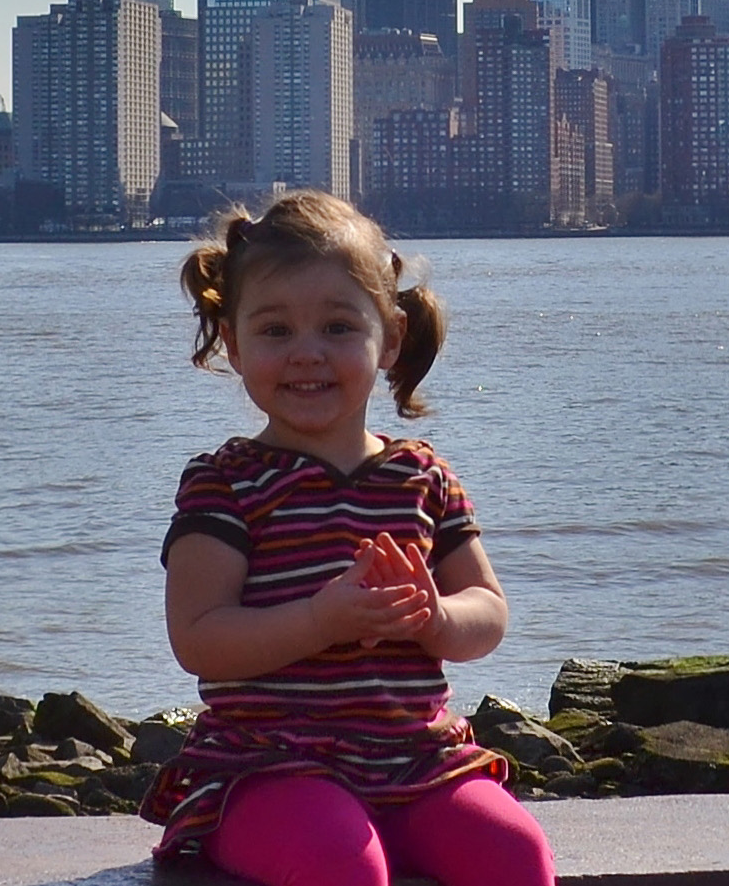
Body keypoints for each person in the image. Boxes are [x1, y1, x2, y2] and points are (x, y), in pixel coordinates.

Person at [149, 190, 559, 886]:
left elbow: (487, 613)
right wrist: (319, 619)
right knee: (340, 864)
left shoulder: (420, 475)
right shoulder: (228, 482)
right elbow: (199, 635)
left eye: (338, 327)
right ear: (234, 340)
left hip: (418, 761)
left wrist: (435, 617)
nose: (306, 353)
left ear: (389, 338)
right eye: (275, 331)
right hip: (270, 765)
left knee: (514, 854)